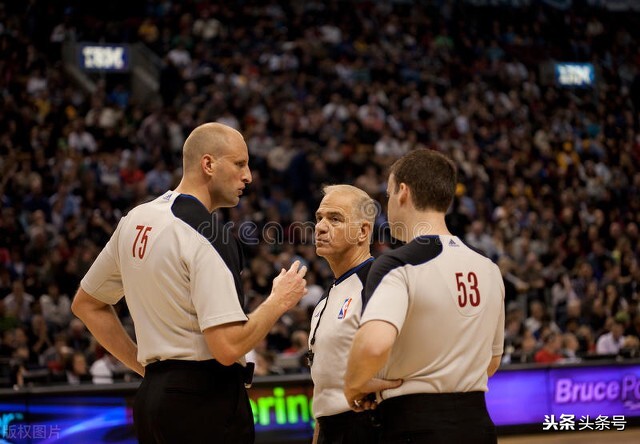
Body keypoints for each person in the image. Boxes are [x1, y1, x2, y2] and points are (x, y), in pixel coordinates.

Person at [71, 122, 308, 444]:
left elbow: (87, 304)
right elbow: (228, 348)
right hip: (205, 402)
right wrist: (278, 301)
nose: (249, 176)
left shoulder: (136, 219)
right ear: (208, 164)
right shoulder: (209, 234)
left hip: (153, 398)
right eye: (240, 163)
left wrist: (147, 369)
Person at [344, 149, 505, 444]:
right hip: (478, 424)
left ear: (403, 192)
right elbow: (492, 362)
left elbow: (374, 344)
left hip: (414, 423)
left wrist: (354, 384)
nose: (388, 205)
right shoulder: (489, 269)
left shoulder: (398, 263)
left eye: (389, 194)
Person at [310, 185, 401, 444]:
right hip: (331, 428)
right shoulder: (324, 301)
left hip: (369, 425)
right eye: (319, 218)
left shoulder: (380, 282)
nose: (321, 227)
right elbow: (325, 389)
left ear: (363, 231)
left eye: (335, 219)